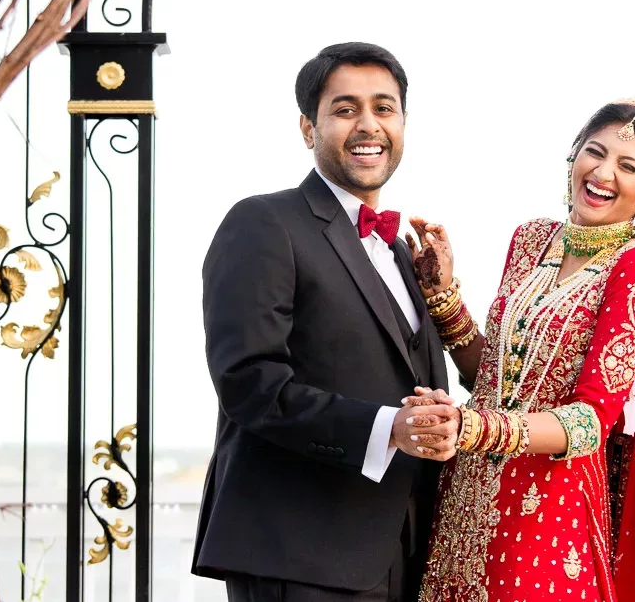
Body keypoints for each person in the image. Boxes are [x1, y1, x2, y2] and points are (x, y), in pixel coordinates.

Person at [404, 97, 635, 602]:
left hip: (546, 512)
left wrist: (472, 428)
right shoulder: (531, 240)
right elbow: (496, 375)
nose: (603, 172)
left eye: (628, 166)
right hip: (466, 497)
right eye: (595, 151)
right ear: (574, 154)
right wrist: (442, 297)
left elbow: (590, 422)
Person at [192, 42, 459, 602]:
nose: (368, 125)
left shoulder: (405, 253)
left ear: (404, 123)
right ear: (308, 129)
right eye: (345, 109)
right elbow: (249, 382)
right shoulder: (263, 222)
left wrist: (445, 298)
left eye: (384, 108)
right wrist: (390, 428)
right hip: (300, 552)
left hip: (409, 554)